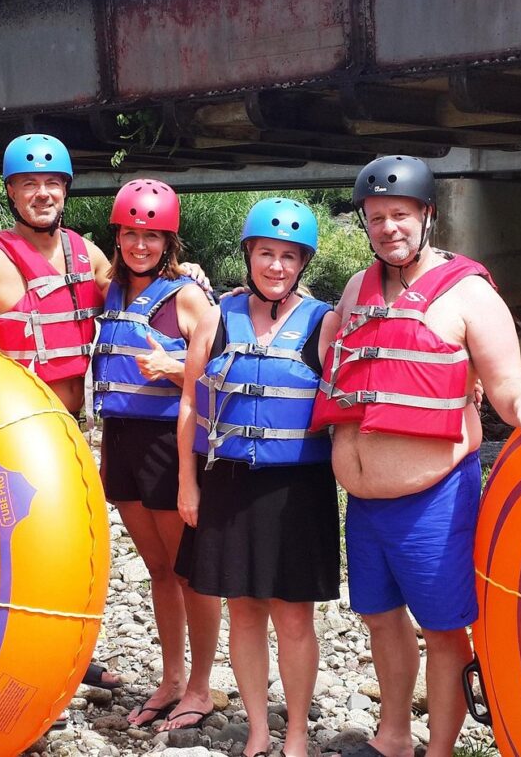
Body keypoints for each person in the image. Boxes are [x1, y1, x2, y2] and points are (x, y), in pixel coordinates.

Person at [310, 155, 521, 757]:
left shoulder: (470, 294)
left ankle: (441, 750)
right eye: (376, 217)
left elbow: (507, 382)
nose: (388, 228)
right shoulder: (357, 287)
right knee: (379, 618)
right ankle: (395, 737)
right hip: (364, 505)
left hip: (435, 500)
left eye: (400, 214)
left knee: (445, 631)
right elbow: (338, 353)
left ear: (427, 215)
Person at [0, 134, 209, 699]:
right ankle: (9, 667)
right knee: (6, 559)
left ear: (66, 190)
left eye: (52, 183)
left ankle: (64, 657)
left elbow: (144, 284)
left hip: (70, 437)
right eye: (28, 184)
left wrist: (188, 271)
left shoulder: (86, 255)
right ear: (10, 192)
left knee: (61, 556)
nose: (41, 194)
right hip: (10, 441)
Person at [173, 197, 341, 756]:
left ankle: (296, 734)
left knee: (293, 619)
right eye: (266, 253)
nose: (276, 266)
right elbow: (191, 404)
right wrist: (187, 482)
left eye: (289, 256)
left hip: (297, 491)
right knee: (243, 612)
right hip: (228, 484)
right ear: (248, 255)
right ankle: (258, 730)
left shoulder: (324, 323)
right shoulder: (218, 318)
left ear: (303, 263)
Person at [92, 178, 221, 727]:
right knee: (158, 569)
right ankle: (171, 679)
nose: (140, 245)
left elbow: (222, 375)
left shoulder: (189, 296)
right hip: (120, 440)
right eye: (130, 234)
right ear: (117, 237)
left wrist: (175, 368)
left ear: (169, 241)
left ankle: (200, 688)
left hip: (169, 446)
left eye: (152, 236)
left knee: (188, 572)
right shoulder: (108, 288)